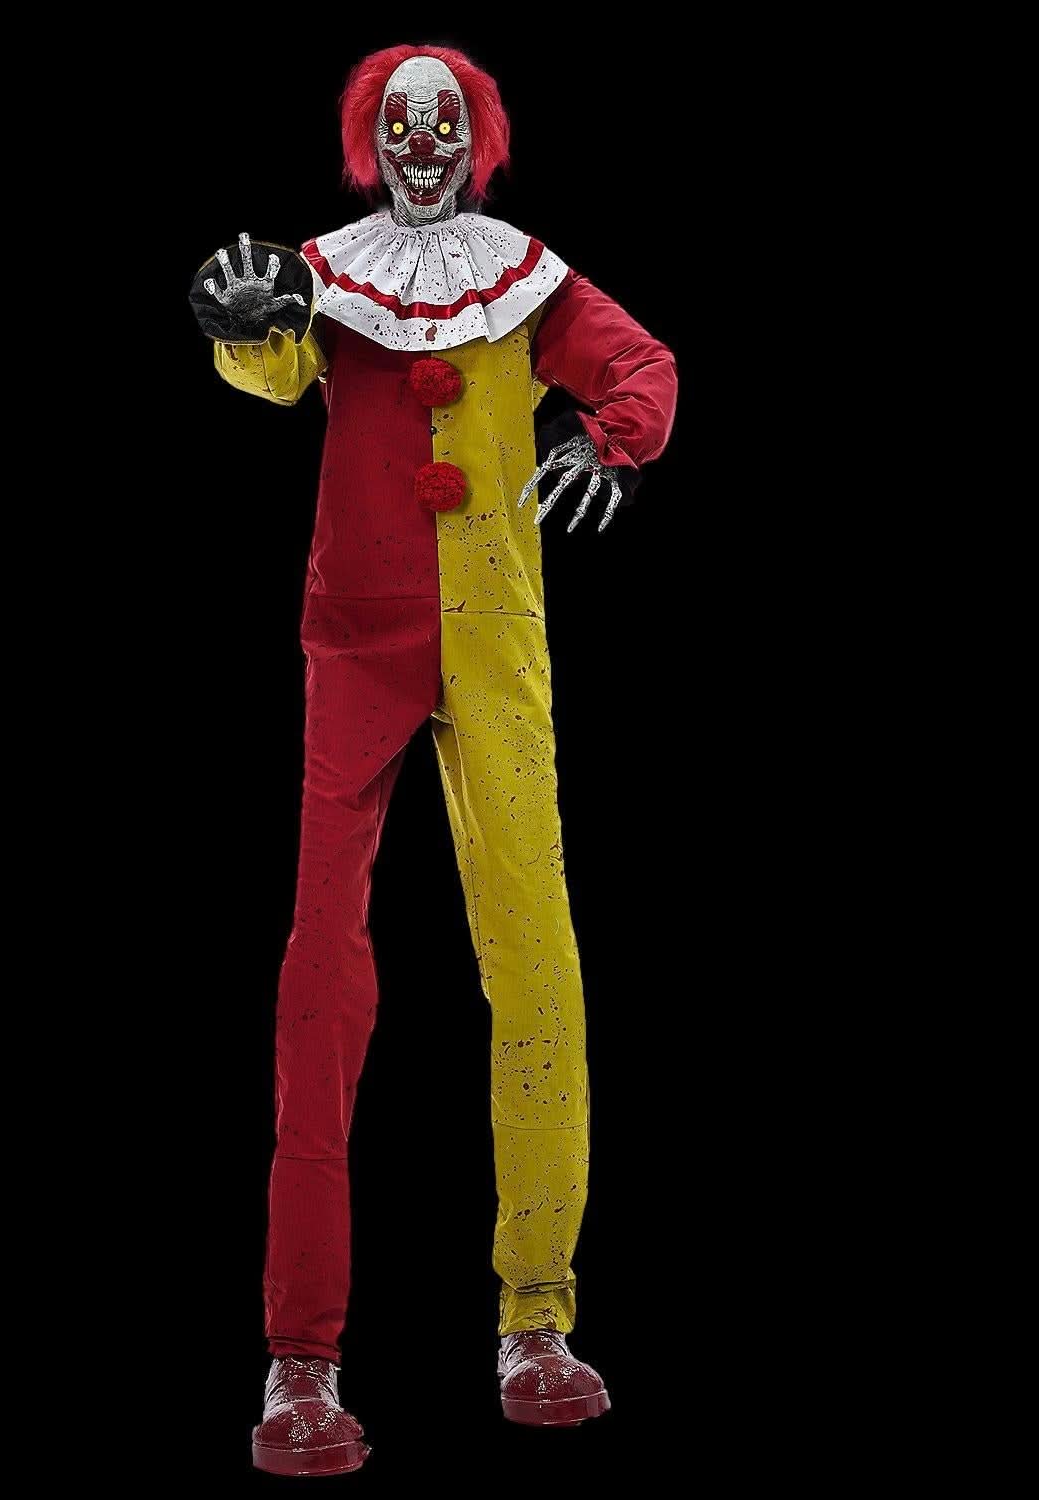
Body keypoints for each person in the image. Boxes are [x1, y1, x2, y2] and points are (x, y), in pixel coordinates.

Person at [188, 43, 678, 1476]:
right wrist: (243, 329)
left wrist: (616, 438)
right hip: (357, 642)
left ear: (479, 138)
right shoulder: (330, 271)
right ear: (369, 142)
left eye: (442, 119)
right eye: (397, 122)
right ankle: (299, 1358)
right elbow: (278, 365)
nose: (420, 141)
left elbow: (639, 362)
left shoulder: (524, 275)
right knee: (321, 977)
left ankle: (538, 1318)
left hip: (496, 642)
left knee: (535, 958)